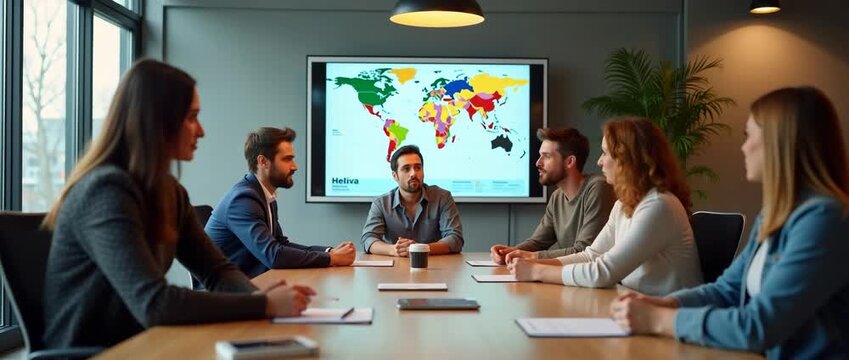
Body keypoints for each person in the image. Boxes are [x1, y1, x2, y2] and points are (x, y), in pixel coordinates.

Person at [41, 59, 314, 349]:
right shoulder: (105, 191)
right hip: (100, 352)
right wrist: (263, 306)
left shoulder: (170, 192)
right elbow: (155, 303)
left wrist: (258, 298)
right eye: (192, 117)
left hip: (144, 344)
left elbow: (216, 271)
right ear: (158, 122)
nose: (201, 131)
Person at [610, 87, 849, 358]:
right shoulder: (775, 214)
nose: (743, 146)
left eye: (749, 135)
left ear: (780, 142)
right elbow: (729, 290)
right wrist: (666, 303)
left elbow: (759, 326)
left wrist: (657, 320)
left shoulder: (825, 220)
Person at [509, 117, 703, 296]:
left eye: (605, 153)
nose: (599, 161)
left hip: (669, 319)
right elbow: (592, 255)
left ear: (627, 159)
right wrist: (532, 262)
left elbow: (603, 271)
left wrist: (536, 270)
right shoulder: (623, 205)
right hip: (637, 306)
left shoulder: (659, 205)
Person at [205, 127, 355, 278]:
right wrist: (332, 259)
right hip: (221, 293)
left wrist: (329, 252)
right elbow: (274, 255)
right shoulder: (243, 200)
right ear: (263, 162)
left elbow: (280, 244)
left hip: (248, 284)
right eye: (287, 159)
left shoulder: (263, 194)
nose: (294, 166)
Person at [490, 128, 615, 264]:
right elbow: (537, 243)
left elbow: (584, 251)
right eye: (540, 156)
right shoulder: (557, 197)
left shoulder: (598, 188)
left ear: (569, 162)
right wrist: (509, 252)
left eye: (547, 156)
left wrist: (529, 257)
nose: (538, 163)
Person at [361, 145, 463, 256]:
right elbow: (368, 239)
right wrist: (393, 250)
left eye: (418, 167)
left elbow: (455, 238)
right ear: (395, 176)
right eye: (406, 169)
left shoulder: (442, 197)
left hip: (434, 266)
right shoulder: (381, 203)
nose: (413, 173)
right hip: (395, 268)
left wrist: (419, 249)